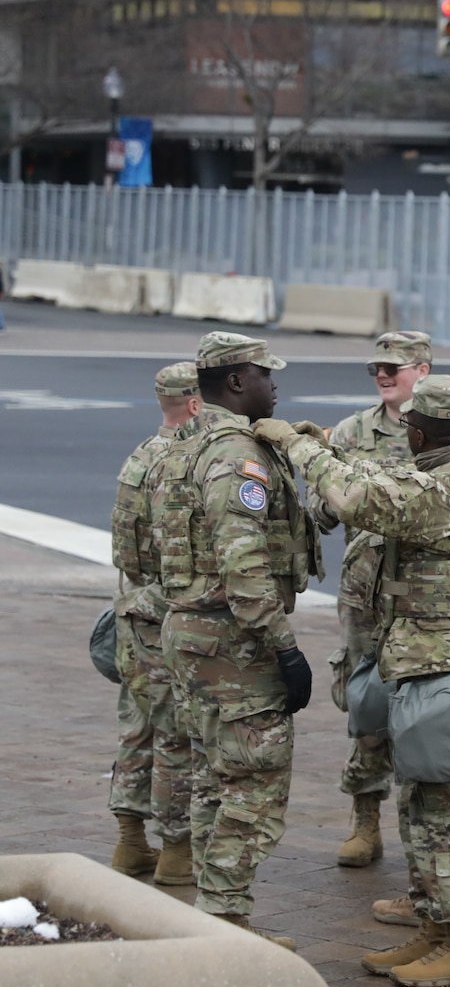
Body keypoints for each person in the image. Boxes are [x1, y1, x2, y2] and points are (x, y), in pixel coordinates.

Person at [255, 375, 450, 987]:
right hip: (444, 664)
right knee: (423, 803)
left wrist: (300, 448)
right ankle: (437, 929)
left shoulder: (445, 494)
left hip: (446, 668)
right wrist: (333, 448)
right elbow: (394, 485)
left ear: (416, 432)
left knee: (447, 814)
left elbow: (364, 498)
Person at [320, 331, 450, 934]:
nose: (382, 375)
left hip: (443, 617)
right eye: (375, 367)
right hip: (371, 603)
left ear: (423, 372)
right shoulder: (351, 433)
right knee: (371, 712)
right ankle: (370, 823)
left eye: (393, 366)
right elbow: (325, 509)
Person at [155, 332, 320, 950]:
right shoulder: (235, 455)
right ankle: (224, 923)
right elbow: (243, 564)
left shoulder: (183, 445)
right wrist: (284, 646)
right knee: (254, 780)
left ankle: (210, 913)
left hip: (192, 633)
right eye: (264, 375)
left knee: (213, 776)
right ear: (233, 382)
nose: (274, 385)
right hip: (233, 643)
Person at [107, 361, 201, 887]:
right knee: (176, 734)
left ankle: (129, 842)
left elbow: (123, 546)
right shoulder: (187, 463)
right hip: (171, 610)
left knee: (136, 725)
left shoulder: (138, 457)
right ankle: (176, 850)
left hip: (134, 608)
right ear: (194, 404)